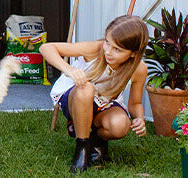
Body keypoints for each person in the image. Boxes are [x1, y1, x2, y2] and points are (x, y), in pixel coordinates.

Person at [39, 15, 149, 173]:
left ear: (133, 53)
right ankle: (82, 147)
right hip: (76, 98)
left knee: (120, 125)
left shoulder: (139, 69)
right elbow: (46, 48)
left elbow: (135, 103)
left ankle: (96, 141)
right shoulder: (96, 49)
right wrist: (70, 70)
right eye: (107, 42)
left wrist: (139, 118)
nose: (108, 52)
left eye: (117, 49)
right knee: (86, 88)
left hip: (104, 103)